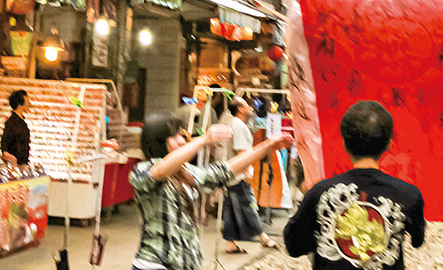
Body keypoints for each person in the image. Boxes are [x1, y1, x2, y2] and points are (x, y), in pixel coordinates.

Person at [129, 114, 292, 270]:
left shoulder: (186, 172)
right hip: (153, 265)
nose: (181, 140)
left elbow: (225, 170)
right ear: (157, 141)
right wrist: (204, 139)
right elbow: (161, 170)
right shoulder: (142, 170)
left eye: (181, 135)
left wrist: (268, 145)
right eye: (174, 136)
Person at [283, 100, 425, 269]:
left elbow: (294, 246)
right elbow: (417, 240)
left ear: (345, 143)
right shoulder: (408, 195)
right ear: (388, 143)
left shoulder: (319, 194)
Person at [222, 97, 277, 253]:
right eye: (246, 105)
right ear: (240, 108)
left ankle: (230, 242)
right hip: (239, 174)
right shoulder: (238, 125)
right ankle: (263, 237)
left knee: (231, 208)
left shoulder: (235, 123)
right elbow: (241, 151)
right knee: (248, 205)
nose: (250, 108)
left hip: (233, 174)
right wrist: (246, 171)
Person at [0, 90, 30, 166]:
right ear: (20, 104)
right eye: (27, 101)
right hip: (15, 165)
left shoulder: (21, 121)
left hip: (21, 164)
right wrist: (7, 155)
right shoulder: (12, 122)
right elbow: (5, 141)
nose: (29, 104)